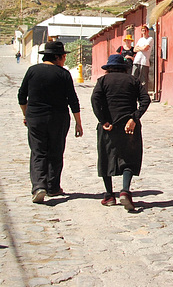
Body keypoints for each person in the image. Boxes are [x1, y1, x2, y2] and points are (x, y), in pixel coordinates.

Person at [17, 41, 83, 203]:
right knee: (56, 151)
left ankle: (39, 186)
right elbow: (73, 100)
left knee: (38, 152)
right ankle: (53, 187)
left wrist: (26, 115)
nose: (65, 59)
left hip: (35, 118)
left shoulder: (32, 71)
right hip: (58, 119)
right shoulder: (63, 74)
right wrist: (78, 122)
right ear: (57, 57)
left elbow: (21, 95)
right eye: (64, 56)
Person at [91, 54, 150, 211]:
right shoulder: (133, 81)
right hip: (129, 126)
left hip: (108, 127)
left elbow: (95, 101)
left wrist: (103, 120)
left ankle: (109, 195)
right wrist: (134, 118)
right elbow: (146, 100)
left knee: (105, 157)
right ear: (124, 68)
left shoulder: (102, 81)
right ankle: (125, 191)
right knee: (129, 158)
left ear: (108, 68)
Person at [132, 25, 153, 92]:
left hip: (144, 61)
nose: (144, 32)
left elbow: (145, 48)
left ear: (147, 31)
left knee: (143, 79)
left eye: (145, 31)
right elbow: (134, 49)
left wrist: (140, 48)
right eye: (142, 31)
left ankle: (143, 93)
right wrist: (142, 48)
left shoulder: (150, 39)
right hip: (137, 60)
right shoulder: (140, 39)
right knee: (134, 77)